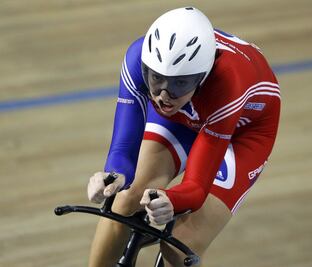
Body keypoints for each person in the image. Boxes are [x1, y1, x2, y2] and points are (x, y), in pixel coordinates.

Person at [87, 6, 281, 267]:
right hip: (188, 112)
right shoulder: (137, 58)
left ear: (202, 78)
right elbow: (123, 147)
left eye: (180, 83)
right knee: (123, 201)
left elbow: (196, 188)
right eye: (157, 79)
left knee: (181, 242)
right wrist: (113, 174)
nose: (164, 95)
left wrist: (173, 200)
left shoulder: (229, 81)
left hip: (243, 130)